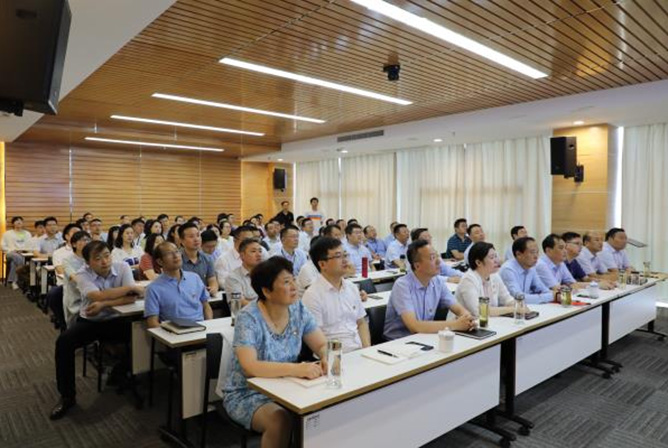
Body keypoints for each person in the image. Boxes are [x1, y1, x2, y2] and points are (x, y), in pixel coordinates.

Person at [221, 257, 328, 447]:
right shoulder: (248, 318)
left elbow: (321, 344)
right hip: (248, 392)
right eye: (286, 282)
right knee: (279, 420)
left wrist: (326, 357)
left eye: (293, 279)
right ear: (266, 291)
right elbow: (250, 367)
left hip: (286, 385)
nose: (294, 286)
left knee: (324, 405)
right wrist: (296, 369)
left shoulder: (298, 308)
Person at [51, 241, 143, 420]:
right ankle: (67, 396)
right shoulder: (82, 274)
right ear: (88, 262)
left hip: (117, 320)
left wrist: (104, 304)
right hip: (91, 321)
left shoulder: (123, 267)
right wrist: (130, 287)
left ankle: (120, 372)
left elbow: (131, 299)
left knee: (142, 334)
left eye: (107, 256)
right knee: (63, 343)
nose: (105, 261)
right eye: (98, 258)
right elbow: (96, 295)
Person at [384, 240, 476, 340]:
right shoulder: (402, 285)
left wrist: (468, 319)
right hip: (399, 341)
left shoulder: (437, 282)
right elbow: (414, 326)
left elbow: (459, 309)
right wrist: (455, 324)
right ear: (417, 266)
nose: (438, 261)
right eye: (432, 258)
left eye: (437, 256)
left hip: (425, 337)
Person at [303, 237, 370, 353]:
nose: (345, 260)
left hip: (359, 351)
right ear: (322, 264)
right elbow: (315, 337)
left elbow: (361, 322)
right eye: (338, 256)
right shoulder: (312, 295)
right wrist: (335, 359)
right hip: (334, 355)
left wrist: (367, 350)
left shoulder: (352, 287)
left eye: (345, 255)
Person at [144, 242, 213, 327]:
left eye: (177, 251)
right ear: (160, 261)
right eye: (169, 253)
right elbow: (152, 322)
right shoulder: (153, 288)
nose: (175, 256)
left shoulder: (194, 278)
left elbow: (206, 306)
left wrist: (209, 325)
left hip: (200, 327)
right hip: (174, 331)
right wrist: (169, 332)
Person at [456, 242, 516, 317]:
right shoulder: (468, 280)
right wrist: (512, 309)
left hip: (491, 321)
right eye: (492, 258)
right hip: (466, 322)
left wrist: (519, 306)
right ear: (478, 262)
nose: (496, 261)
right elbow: (479, 311)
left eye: (496, 256)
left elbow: (507, 299)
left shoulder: (494, 275)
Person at [499, 237, 553, 304]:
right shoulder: (508, 270)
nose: (536, 256)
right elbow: (519, 298)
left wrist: (551, 295)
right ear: (518, 254)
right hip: (507, 308)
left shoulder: (531, 268)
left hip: (526, 307)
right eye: (532, 252)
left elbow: (543, 289)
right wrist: (550, 296)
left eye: (537, 252)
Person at [179, 222, 219, 296]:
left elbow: (212, 280)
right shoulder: (176, 260)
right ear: (182, 241)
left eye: (198, 235)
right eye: (191, 236)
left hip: (205, 298)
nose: (196, 239)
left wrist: (213, 289)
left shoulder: (208, 258)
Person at [62, 231, 90, 326]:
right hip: (75, 298)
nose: (86, 242)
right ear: (74, 244)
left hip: (91, 296)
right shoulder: (67, 260)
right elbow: (74, 277)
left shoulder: (92, 258)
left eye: (87, 240)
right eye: (82, 240)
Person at [224, 238, 263, 306]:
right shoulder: (232, 278)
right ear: (242, 255)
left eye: (260, 251)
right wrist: (264, 308)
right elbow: (238, 302)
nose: (258, 254)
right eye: (253, 251)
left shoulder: (266, 274)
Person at [1, 216, 32, 289]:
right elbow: (2, 245)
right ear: (13, 223)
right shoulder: (7, 233)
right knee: (18, 257)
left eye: (20, 220)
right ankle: (18, 280)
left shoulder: (27, 233)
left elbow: (31, 245)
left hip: (24, 254)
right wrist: (13, 250)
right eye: (16, 220)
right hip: (11, 253)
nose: (19, 222)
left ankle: (13, 281)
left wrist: (24, 250)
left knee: (14, 262)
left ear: (23, 223)